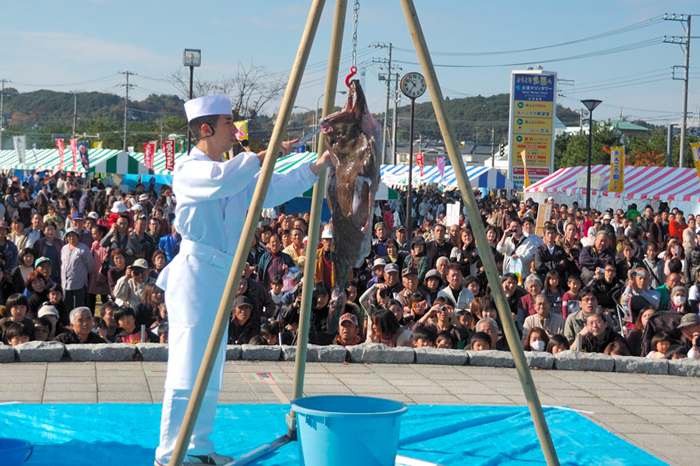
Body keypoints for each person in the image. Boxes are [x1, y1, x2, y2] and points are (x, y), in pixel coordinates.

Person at [154, 94, 330, 466]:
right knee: (189, 363)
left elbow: (269, 189)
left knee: (211, 365)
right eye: (228, 124)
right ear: (206, 129)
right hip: (196, 273)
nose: (235, 131)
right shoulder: (190, 168)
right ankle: (170, 453)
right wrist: (264, 155)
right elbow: (222, 179)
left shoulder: (236, 171)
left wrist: (314, 170)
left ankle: (198, 446)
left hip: (223, 273)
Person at [60, 227, 94, 310]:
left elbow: (89, 264)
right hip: (65, 282)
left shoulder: (83, 248)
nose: (71, 238)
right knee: (67, 304)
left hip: (79, 282)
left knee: (78, 304)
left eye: (73, 236)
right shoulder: (64, 248)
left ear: (78, 237)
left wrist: (81, 274)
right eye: (69, 236)